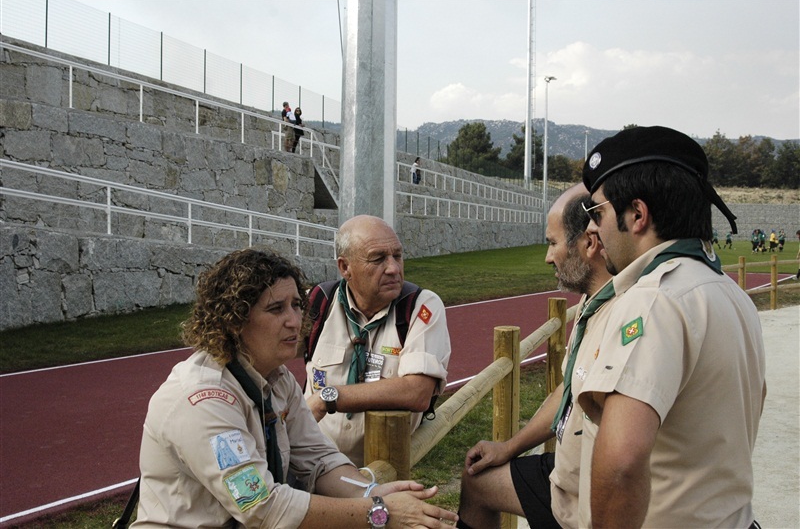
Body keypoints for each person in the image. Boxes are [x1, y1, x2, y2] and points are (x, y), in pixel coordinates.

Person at [133, 249, 458, 528]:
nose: (294, 320)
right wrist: (378, 512)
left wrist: (370, 492)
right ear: (234, 321)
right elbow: (261, 506)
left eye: (297, 305)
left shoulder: (276, 379)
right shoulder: (203, 399)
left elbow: (318, 457)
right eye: (276, 309)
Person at [577, 126, 766, 528]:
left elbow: (623, 462)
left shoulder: (653, 301)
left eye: (599, 213)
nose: (594, 228)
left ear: (638, 215)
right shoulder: (731, 294)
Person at [456, 184, 613, 529]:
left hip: (592, 491)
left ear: (588, 242)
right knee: (477, 480)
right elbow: (569, 388)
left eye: (552, 242)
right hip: (569, 471)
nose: (547, 256)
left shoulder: (626, 311)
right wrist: (510, 446)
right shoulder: (592, 300)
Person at [302, 215, 451, 466]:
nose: (393, 268)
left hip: (380, 465)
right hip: (312, 458)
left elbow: (417, 392)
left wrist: (329, 397)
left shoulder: (420, 306)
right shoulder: (319, 302)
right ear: (345, 267)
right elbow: (268, 353)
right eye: (378, 258)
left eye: (397, 256)